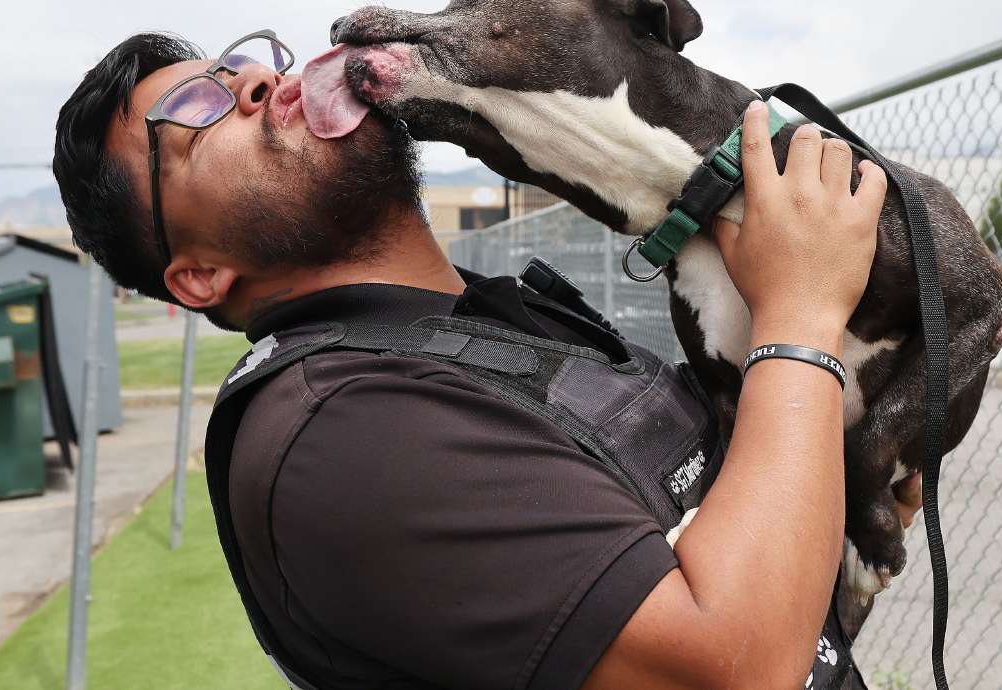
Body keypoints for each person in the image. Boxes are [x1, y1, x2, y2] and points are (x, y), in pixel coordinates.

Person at [54, 29, 922, 690]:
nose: (253, 81)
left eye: (242, 63)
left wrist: (823, 483)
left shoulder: (494, 321)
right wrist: (802, 314)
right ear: (198, 275)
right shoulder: (339, 435)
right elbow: (731, 670)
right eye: (196, 116)